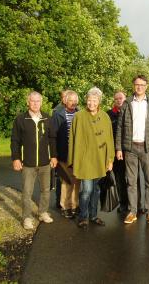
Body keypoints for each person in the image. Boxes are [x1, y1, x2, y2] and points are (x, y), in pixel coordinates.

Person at [116, 75, 149, 225]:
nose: (139, 87)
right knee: (131, 182)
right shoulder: (127, 103)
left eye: (142, 85)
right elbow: (119, 127)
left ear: (146, 86)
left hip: (147, 147)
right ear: (133, 86)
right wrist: (118, 148)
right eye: (137, 84)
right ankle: (132, 211)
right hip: (130, 148)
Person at [68, 87, 115, 228]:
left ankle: (93, 216)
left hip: (100, 160)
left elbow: (110, 139)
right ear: (86, 100)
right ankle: (83, 217)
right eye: (89, 100)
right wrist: (73, 160)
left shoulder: (105, 117)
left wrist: (110, 159)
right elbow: (73, 139)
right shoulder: (79, 116)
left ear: (99, 101)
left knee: (96, 190)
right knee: (86, 190)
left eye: (94, 100)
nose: (91, 103)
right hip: (85, 161)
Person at [11, 91, 58, 230]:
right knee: (27, 192)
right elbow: (15, 141)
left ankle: (42, 212)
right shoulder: (20, 120)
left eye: (38, 101)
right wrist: (16, 158)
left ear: (41, 103)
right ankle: (27, 217)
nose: (35, 103)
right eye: (32, 101)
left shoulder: (47, 119)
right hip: (28, 164)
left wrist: (54, 156)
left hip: (45, 163)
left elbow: (52, 139)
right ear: (28, 102)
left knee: (45, 190)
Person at [52, 90, 80, 219]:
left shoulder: (80, 113)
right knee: (67, 180)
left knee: (77, 180)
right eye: (71, 100)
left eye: (75, 100)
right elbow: (53, 136)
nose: (73, 103)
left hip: (78, 154)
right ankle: (65, 206)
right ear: (65, 101)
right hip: (64, 153)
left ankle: (75, 205)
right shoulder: (58, 114)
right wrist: (54, 155)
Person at [107, 91, 129, 213]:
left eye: (121, 98)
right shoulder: (109, 115)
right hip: (115, 152)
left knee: (133, 179)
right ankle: (123, 203)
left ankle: (136, 203)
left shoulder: (130, 112)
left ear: (125, 99)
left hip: (130, 151)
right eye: (116, 99)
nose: (119, 100)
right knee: (120, 179)